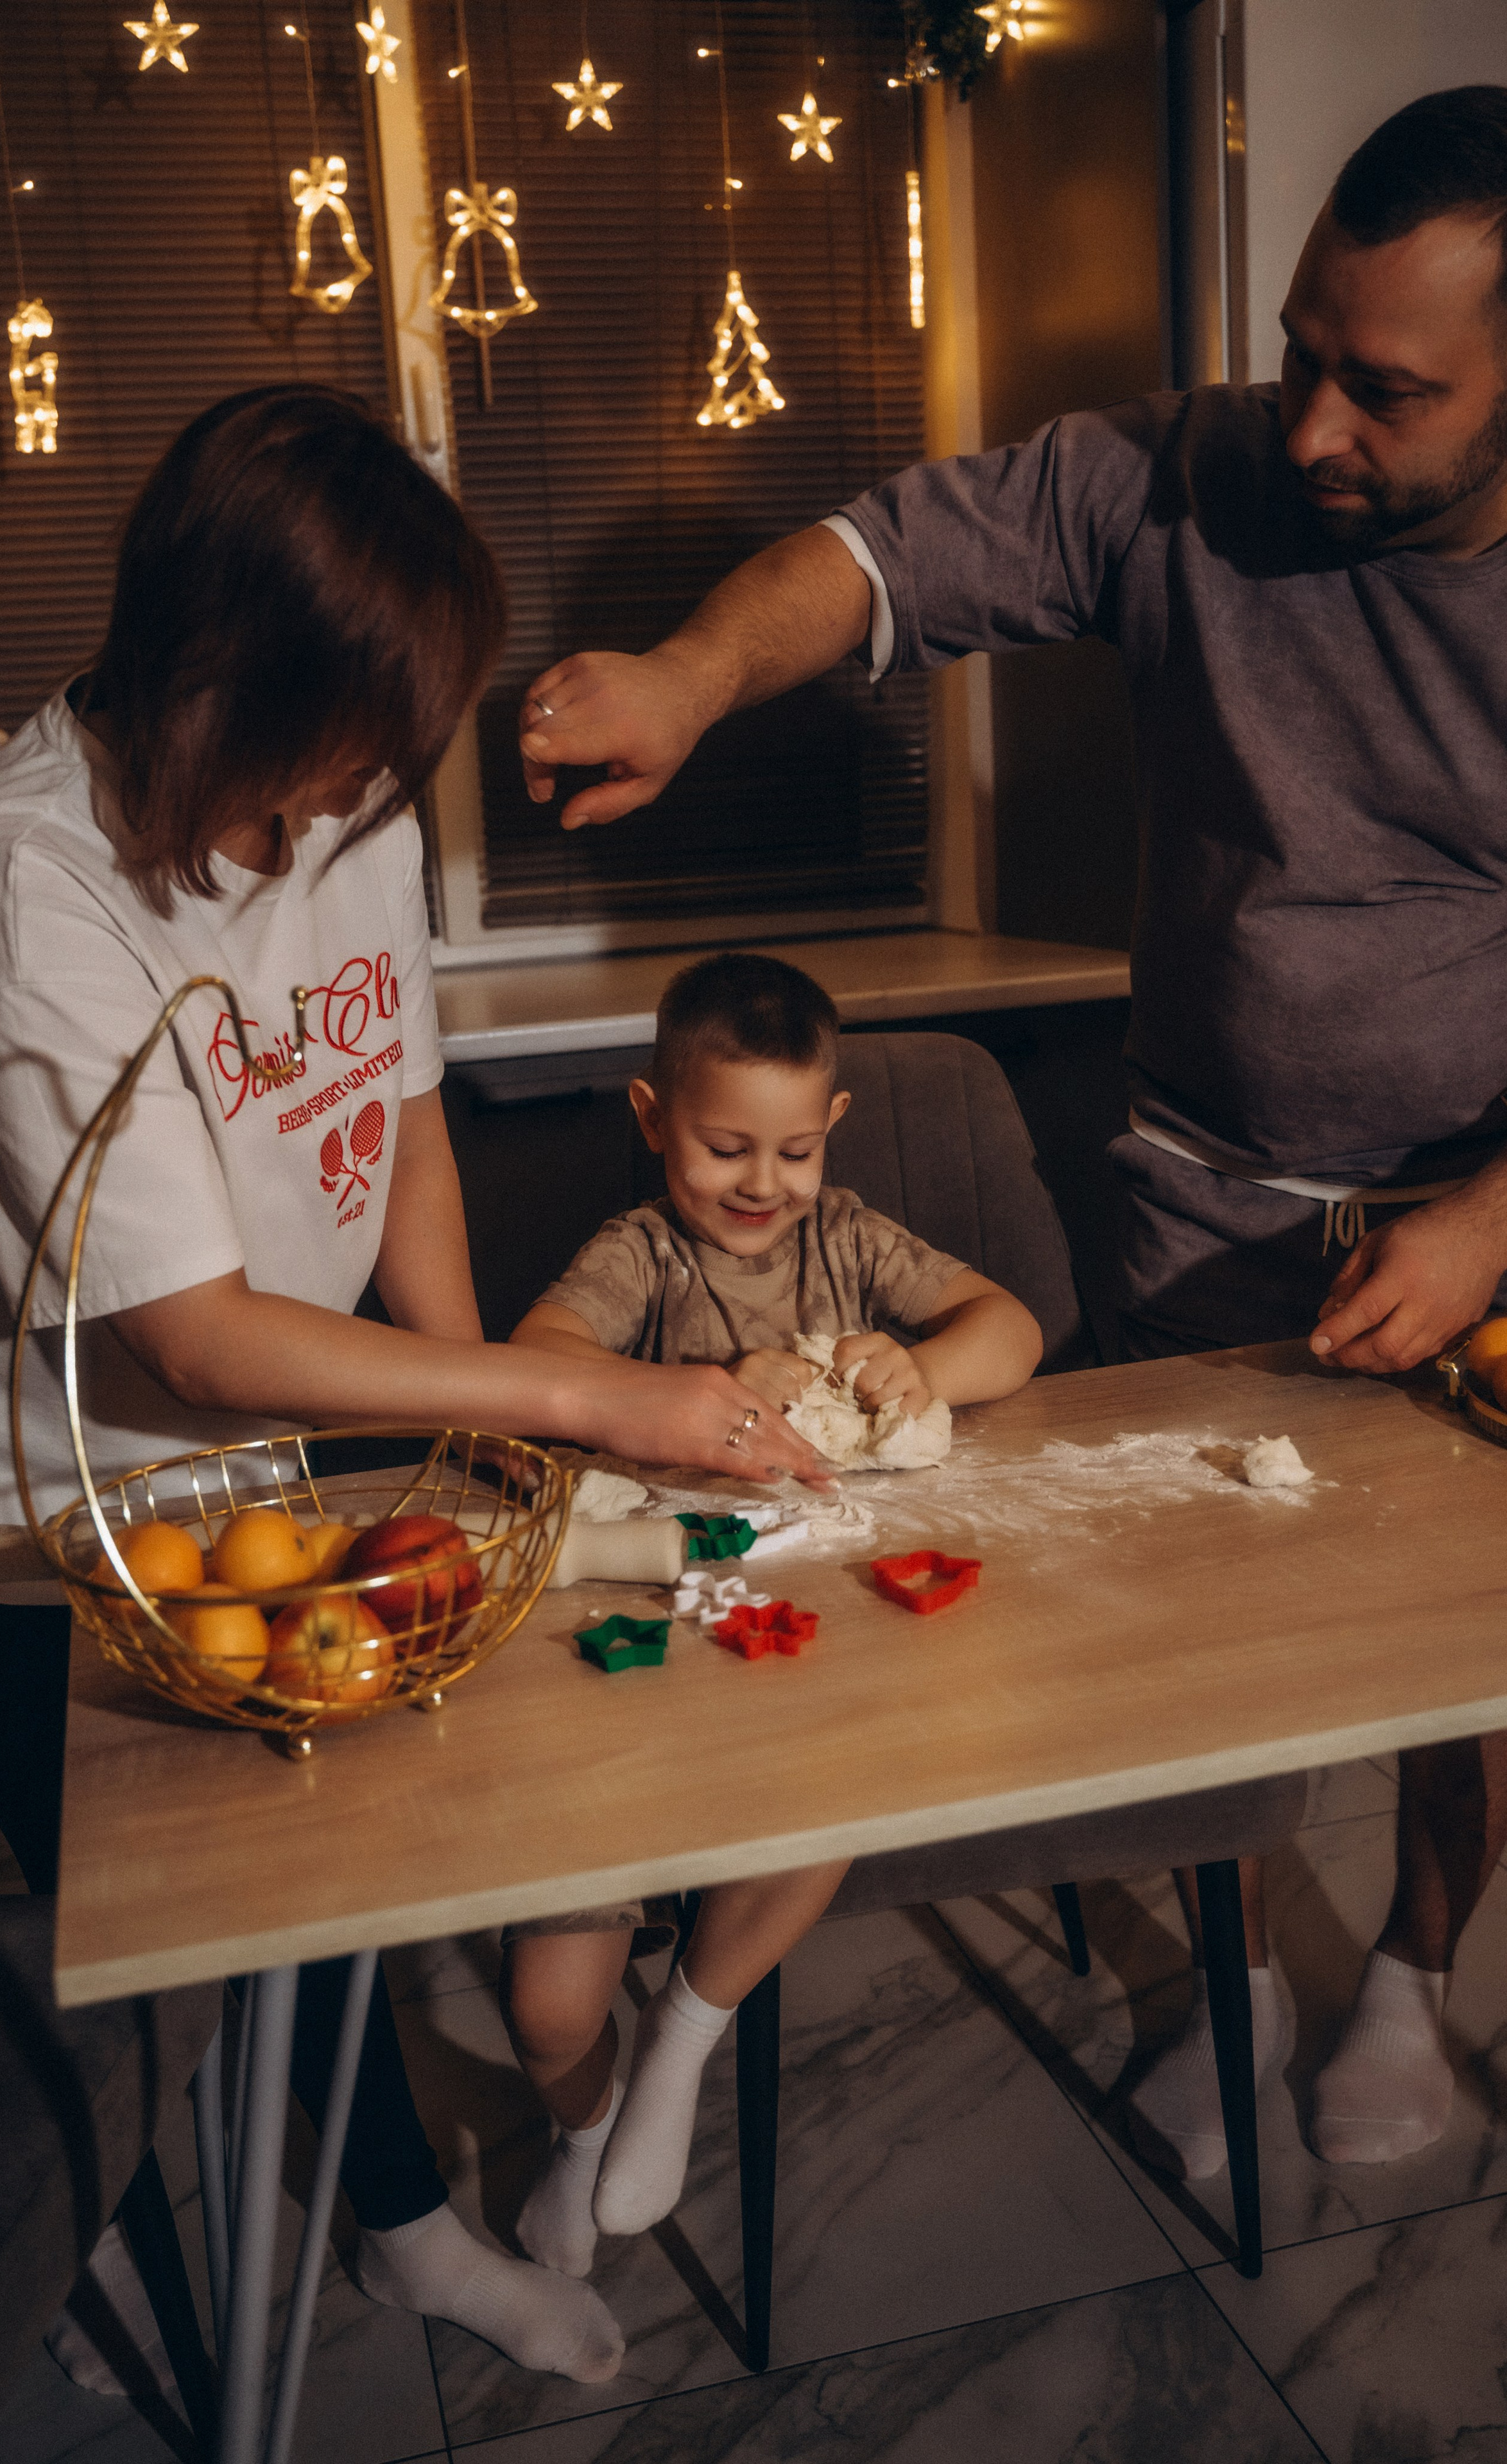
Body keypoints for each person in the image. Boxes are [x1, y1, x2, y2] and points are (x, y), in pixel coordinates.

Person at [510, 86, 1507, 2177]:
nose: (1312, 423)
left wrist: (1497, 1216)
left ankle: (1411, 1967)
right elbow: (890, 558)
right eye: (1307, 350)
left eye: (1388, 392)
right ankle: (1226, 1966)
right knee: (1186, 1625)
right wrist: (693, 673)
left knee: (1469, 1656)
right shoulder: (1197, 476)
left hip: (1474, 1228)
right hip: (1191, 1185)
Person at [0, 384, 827, 2396]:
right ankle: (169, 2269)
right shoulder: (14, 881)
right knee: (160, 1949)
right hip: (1, 1497)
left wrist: (471, 1412)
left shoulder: (350, 799)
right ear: (218, 685)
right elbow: (186, 1334)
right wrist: (590, 1404)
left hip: (238, 1456)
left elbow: (397, 1122)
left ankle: (400, 2237)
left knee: (332, 1866)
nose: (381, 800)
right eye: (350, 750)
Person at [500, 950, 1041, 2270]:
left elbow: (1010, 1331)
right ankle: (586, 2123)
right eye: (723, 1146)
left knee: (852, 1771)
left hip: (810, 1647)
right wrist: (689, 1383)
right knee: (546, 2009)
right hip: (649, 1633)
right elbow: (532, 1361)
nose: (759, 1184)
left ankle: (688, 2027)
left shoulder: (848, 1239)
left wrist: (914, 1364)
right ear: (650, 1119)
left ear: (831, 1134)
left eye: (791, 1150)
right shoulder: (643, 1255)